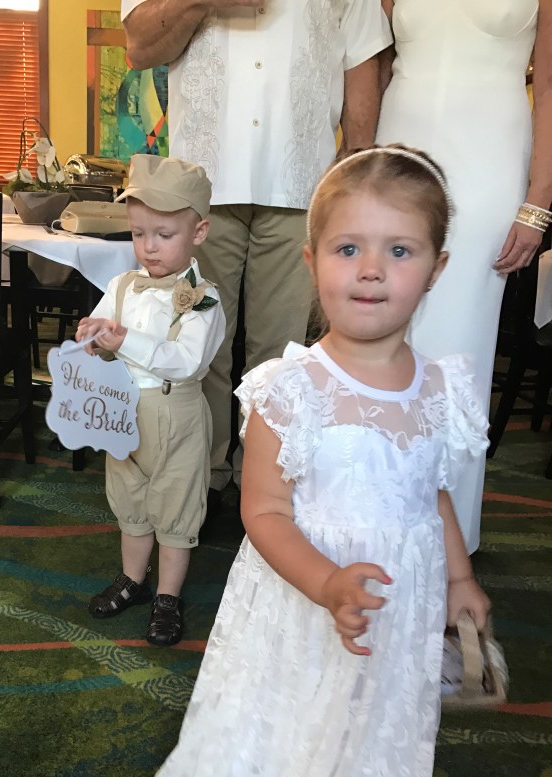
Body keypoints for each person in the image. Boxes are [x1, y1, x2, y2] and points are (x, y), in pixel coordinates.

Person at [141, 146, 492, 777]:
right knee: (300, 717)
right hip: (310, 597)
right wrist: (326, 583)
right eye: (348, 249)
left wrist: (457, 580)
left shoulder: (439, 387)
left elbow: (430, 492)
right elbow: (262, 511)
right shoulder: (290, 387)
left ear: (437, 267)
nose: (371, 271)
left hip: (394, 605)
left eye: (399, 250)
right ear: (311, 261)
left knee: (373, 729)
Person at [121, 0, 392, 516]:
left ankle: (262, 485)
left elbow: (362, 52)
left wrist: (357, 160)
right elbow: (139, 46)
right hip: (201, 188)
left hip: (301, 181)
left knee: (280, 356)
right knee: (198, 348)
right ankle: (198, 477)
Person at [376, 0, 552, 553]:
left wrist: (538, 202)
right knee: (383, 330)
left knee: (460, 346)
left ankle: (447, 542)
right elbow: (374, 66)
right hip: (398, 153)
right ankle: (371, 516)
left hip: (489, 159)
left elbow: (549, 87)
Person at [75, 155, 225, 646]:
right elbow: (103, 336)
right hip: (123, 413)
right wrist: (93, 336)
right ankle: (133, 580)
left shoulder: (204, 299)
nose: (149, 246)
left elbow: (187, 362)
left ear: (199, 232)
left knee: (176, 507)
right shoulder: (121, 285)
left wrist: (125, 341)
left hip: (175, 416)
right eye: (139, 233)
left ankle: (167, 596)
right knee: (130, 499)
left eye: (164, 234)